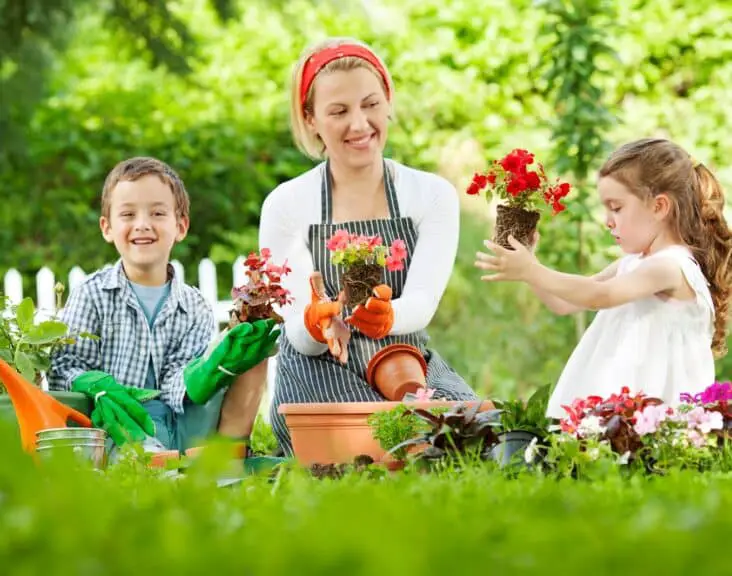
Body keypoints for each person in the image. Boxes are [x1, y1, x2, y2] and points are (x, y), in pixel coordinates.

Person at [259, 37, 477, 454]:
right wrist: (313, 323)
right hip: (316, 368)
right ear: (311, 119)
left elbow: (422, 303)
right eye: (339, 111)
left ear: (388, 101)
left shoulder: (430, 194)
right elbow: (298, 334)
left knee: (478, 432)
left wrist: (388, 313)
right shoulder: (287, 204)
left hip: (403, 360)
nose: (359, 124)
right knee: (363, 449)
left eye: (370, 104)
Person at [475, 138, 732, 418]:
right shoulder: (632, 264)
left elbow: (601, 296)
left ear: (659, 207)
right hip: (618, 416)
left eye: (617, 208)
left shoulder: (671, 266)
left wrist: (531, 270)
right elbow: (566, 303)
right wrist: (530, 266)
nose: (608, 221)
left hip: (657, 419)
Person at [49, 157, 280, 453]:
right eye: (128, 214)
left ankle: (226, 457)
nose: (142, 225)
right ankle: (150, 461)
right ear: (107, 228)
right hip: (114, 427)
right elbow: (63, 368)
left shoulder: (194, 305)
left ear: (180, 226)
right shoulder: (92, 294)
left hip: (179, 423)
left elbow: (176, 387)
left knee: (252, 357)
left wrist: (206, 371)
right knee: (111, 435)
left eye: (158, 213)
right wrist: (93, 383)